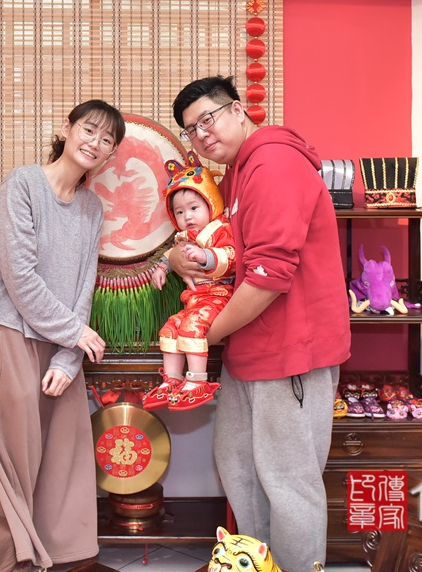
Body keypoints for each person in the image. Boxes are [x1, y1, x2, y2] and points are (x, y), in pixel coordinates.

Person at [167, 76, 351, 572]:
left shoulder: (274, 163)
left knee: (288, 482)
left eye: (208, 118)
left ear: (238, 110)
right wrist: (179, 257)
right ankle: (255, 563)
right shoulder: (237, 173)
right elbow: (218, 247)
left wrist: (205, 335)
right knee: (241, 470)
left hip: (290, 351)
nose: (202, 134)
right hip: (250, 346)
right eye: (191, 130)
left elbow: (270, 277)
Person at [0, 99, 125, 572]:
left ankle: (62, 558)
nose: (95, 143)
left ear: (110, 154)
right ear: (66, 128)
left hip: (61, 346)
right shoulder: (22, 184)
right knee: (17, 463)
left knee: (65, 459)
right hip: (11, 338)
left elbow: (84, 287)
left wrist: (67, 357)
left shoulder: (91, 207)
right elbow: (19, 278)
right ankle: (16, 559)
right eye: (89, 130)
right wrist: (74, 332)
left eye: (106, 139)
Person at [142, 151, 236, 412]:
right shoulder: (183, 237)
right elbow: (170, 255)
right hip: (194, 301)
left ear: (211, 203)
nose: (188, 216)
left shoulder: (219, 230)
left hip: (218, 296)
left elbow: (231, 256)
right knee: (171, 327)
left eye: (194, 208)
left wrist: (206, 256)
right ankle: (172, 380)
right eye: (180, 212)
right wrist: (163, 267)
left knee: (192, 326)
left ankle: (197, 380)